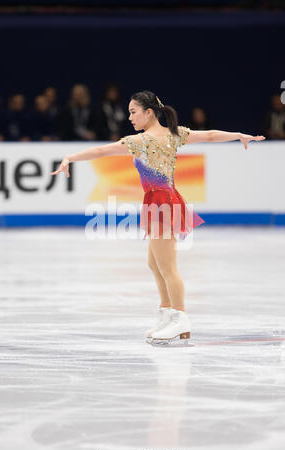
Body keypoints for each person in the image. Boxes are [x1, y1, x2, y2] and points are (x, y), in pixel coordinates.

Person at [50, 90, 266, 346]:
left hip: (162, 203)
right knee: (155, 264)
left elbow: (100, 151)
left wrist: (69, 158)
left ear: (148, 112)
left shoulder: (140, 141)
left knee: (168, 267)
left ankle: (180, 317)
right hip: (162, 201)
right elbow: (209, 135)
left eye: (133, 112)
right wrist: (238, 135)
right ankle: (166, 314)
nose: (129, 117)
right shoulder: (175, 134)